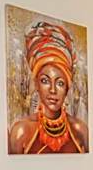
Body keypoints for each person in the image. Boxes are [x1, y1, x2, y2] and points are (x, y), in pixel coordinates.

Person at [8, 21, 88, 154]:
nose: (52, 90)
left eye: (60, 83)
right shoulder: (21, 131)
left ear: (67, 88)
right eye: (45, 81)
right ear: (37, 85)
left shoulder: (80, 130)